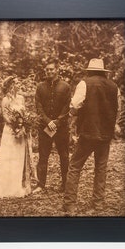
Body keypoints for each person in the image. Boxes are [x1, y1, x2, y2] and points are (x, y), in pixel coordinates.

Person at [63, 58, 119, 214]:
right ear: (102, 71)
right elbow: (118, 108)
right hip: (106, 134)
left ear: (89, 70)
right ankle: (98, 204)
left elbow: (74, 105)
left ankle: (70, 206)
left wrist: (74, 115)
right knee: (101, 168)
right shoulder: (114, 87)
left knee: (75, 166)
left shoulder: (84, 84)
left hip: (88, 133)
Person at [33, 58, 71, 193]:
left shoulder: (65, 86)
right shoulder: (40, 86)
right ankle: (40, 185)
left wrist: (57, 121)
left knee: (64, 156)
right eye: (47, 69)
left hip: (61, 128)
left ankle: (66, 184)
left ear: (57, 70)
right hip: (45, 128)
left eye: (51, 69)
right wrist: (48, 121)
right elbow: (38, 106)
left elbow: (68, 106)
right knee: (43, 156)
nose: (49, 71)